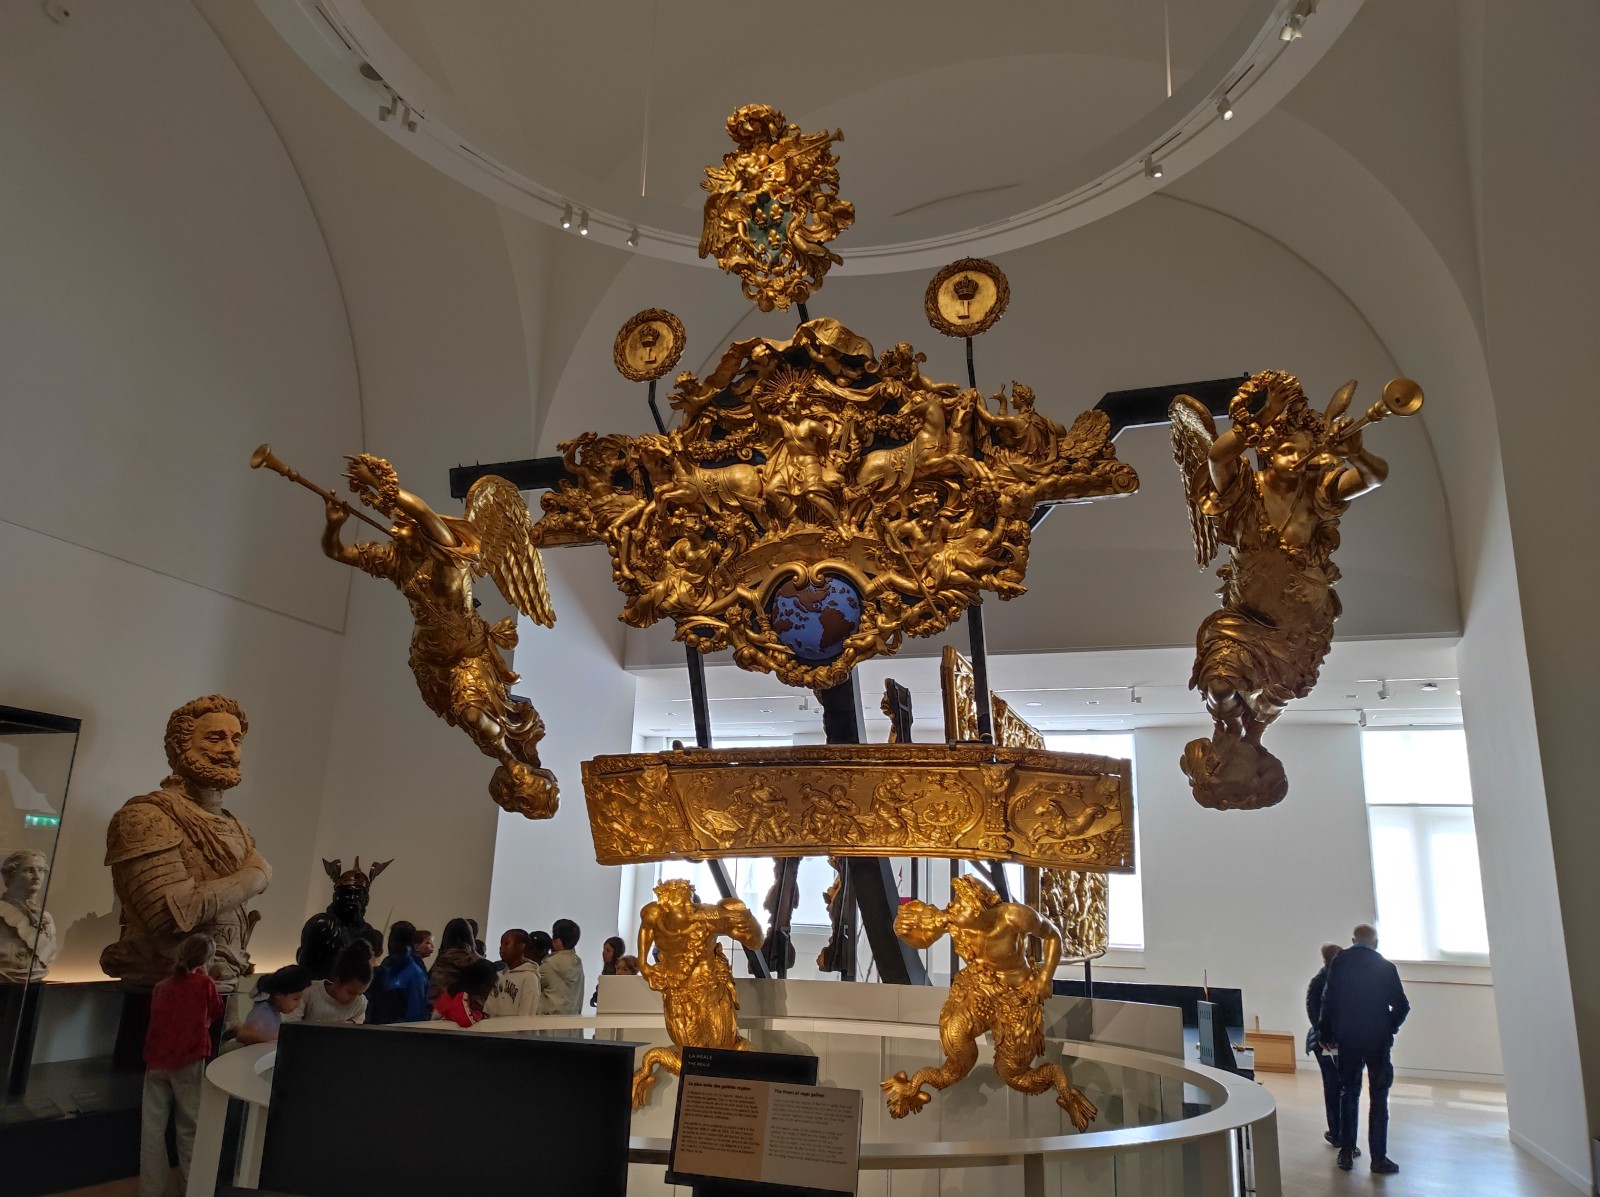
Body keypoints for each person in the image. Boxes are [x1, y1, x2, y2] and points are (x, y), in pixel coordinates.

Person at [102, 695, 269, 993]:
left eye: (236, 740)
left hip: (223, 982)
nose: (229, 750)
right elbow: (171, 916)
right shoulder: (146, 817)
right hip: (161, 987)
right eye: (215, 738)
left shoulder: (238, 827)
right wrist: (256, 876)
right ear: (179, 745)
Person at [1318, 923, 1409, 1174]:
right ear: (1375, 943)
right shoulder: (1386, 967)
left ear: (1353, 940)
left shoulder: (1340, 962)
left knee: (1349, 1093)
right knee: (1379, 1098)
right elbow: (1402, 1006)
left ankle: (1346, 1153)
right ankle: (1378, 1158)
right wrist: (1389, 1027)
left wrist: (1326, 1033)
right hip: (1378, 1041)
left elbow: (1329, 1000)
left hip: (1348, 1039)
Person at [140, 932, 223, 1197]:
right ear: (207, 959)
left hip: (156, 1059)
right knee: (189, 1128)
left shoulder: (162, 985)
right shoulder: (205, 984)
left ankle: (151, 1190)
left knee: (152, 1130)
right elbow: (216, 1011)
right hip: (188, 1058)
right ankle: (191, 1189)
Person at [296, 857, 390, 980]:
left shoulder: (367, 931)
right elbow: (306, 967)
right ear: (336, 897)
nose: (352, 898)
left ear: (366, 899)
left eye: (358, 894)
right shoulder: (323, 924)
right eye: (346, 893)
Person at [1305, 943, 1357, 1156]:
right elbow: (1315, 1012)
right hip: (1326, 1043)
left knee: (1335, 1087)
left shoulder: (1323, 979)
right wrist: (1325, 1036)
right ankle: (1339, 1134)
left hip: (1330, 1042)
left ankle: (1338, 1134)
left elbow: (1312, 1010)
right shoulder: (1324, 981)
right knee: (1338, 1087)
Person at [233, 964, 312, 1047]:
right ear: (279, 994)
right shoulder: (262, 1012)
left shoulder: (274, 1012)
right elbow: (244, 1034)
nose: (298, 1005)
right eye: (295, 999)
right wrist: (279, 1035)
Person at [368, 921, 429, 1025]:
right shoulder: (384, 966)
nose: (392, 945)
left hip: (398, 1031)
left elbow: (415, 1016)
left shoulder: (415, 974)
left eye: (398, 941)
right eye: (391, 940)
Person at [302, 941, 372, 1025]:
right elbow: (292, 1024)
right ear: (338, 981)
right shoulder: (310, 992)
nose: (354, 998)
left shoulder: (360, 1003)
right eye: (350, 992)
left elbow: (356, 1027)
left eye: (359, 994)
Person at [485, 929, 541, 1018]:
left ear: (521, 947)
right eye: (501, 944)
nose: (501, 947)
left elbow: (527, 1014)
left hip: (515, 1026)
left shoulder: (529, 977)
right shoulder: (499, 976)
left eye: (506, 943)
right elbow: (489, 1009)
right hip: (495, 1026)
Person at [426, 918, 480, 1003]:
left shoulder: (442, 961)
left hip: (440, 1008)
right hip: (467, 1009)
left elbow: (431, 995)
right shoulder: (479, 963)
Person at [539, 918, 585, 1015]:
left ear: (559, 941)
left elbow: (532, 988)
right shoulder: (578, 962)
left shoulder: (549, 964)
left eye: (554, 936)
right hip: (573, 1020)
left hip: (549, 1021)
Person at [434, 959, 498, 1028]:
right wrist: (479, 1016)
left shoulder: (463, 991)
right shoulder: (461, 995)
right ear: (483, 984)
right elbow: (465, 1021)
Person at [590, 935, 626, 1008]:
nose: (604, 953)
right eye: (604, 949)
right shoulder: (607, 969)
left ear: (616, 953)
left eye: (608, 951)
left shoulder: (619, 973)